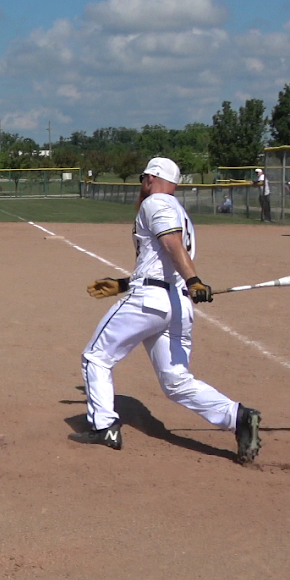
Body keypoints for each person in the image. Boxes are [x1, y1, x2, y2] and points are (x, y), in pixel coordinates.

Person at [74, 157, 263, 464]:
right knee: (176, 381)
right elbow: (162, 264)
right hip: (176, 304)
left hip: (150, 301)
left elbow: (172, 243)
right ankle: (237, 416)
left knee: (95, 357)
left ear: (151, 178)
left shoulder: (156, 202)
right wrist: (123, 284)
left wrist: (194, 279)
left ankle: (104, 427)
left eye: (142, 179)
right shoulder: (178, 210)